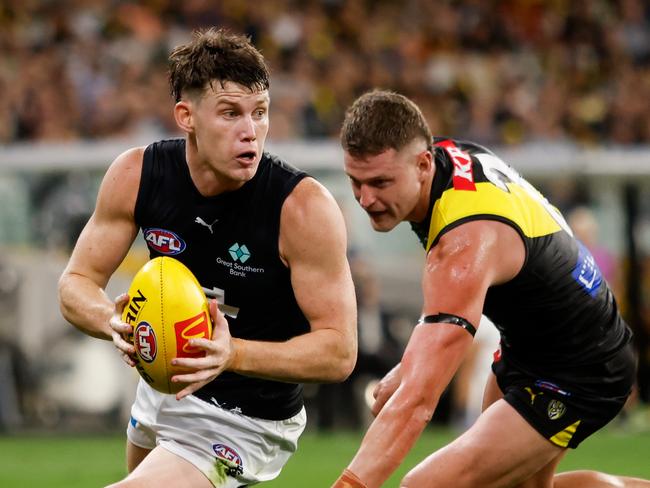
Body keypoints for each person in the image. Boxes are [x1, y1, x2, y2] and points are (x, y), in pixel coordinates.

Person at [57, 28, 357, 488]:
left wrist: (231, 353)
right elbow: (75, 283)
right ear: (186, 116)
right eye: (231, 113)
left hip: (246, 417)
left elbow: (339, 352)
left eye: (260, 113)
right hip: (163, 386)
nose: (250, 131)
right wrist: (110, 322)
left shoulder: (303, 208)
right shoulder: (138, 175)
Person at [332, 90, 648, 488]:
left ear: (423, 163)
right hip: (535, 345)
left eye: (380, 182)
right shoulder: (450, 157)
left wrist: (349, 484)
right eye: (355, 183)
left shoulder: (463, 241)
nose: (366, 199)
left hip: (582, 368)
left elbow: (416, 404)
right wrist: (412, 363)